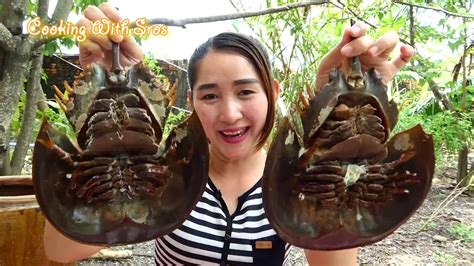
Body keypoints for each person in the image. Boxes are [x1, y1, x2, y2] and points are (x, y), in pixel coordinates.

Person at [43, 3, 414, 265]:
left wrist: (330, 123)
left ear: (274, 93)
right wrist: (100, 134)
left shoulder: (288, 180)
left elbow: (335, 255)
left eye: (246, 91)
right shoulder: (176, 174)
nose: (230, 113)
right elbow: (60, 250)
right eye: (209, 95)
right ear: (189, 101)